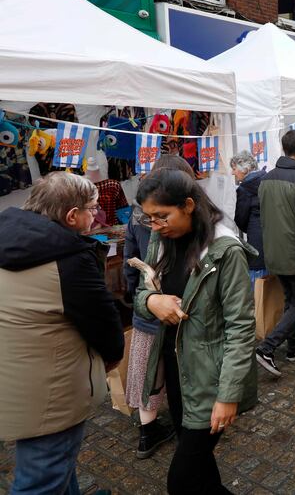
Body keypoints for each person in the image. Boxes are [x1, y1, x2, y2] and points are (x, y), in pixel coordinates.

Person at [134, 168, 258, 494]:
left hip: (211, 380)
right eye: (149, 219)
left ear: (189, 205)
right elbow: (139, 293)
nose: (156, 226)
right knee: (201, 468)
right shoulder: (162, 241)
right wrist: (152, 301)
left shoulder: (225, 251)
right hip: (176, 369)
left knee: (181, 480)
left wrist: (228, 395)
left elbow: (241, 328)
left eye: (162, 216)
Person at [0, 172, 124, 495]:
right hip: (49, 390)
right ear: (72, 216)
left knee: (55, 462)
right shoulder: (68, 259)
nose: (96, 216)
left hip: (13, 375)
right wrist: (112, 357)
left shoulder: (6, 236)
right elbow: (104, 322)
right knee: (40, 478)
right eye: (92, 209)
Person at [124, 154, 195, 460]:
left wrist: (136, 296)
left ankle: (147, 434)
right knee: (176, 374)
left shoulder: (136, 215)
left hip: (150, 310)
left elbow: (130, 263)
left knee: (148, 373)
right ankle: (185, 431)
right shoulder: (180, 222)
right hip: (173, 312)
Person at [256, 130, 295, 376]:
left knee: (291, 301)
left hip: (274, 253)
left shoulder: (266, 179)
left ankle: (294, 346)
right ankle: (267, 347)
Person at [231, 151, 269, 286]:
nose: (232, 173)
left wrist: (250, 227)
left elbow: (240, 219)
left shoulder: (244, 188)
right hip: (274, 239)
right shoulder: (268, 179)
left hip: (257, 241)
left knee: (258, 288)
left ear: (245, 169)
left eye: (234, 169)